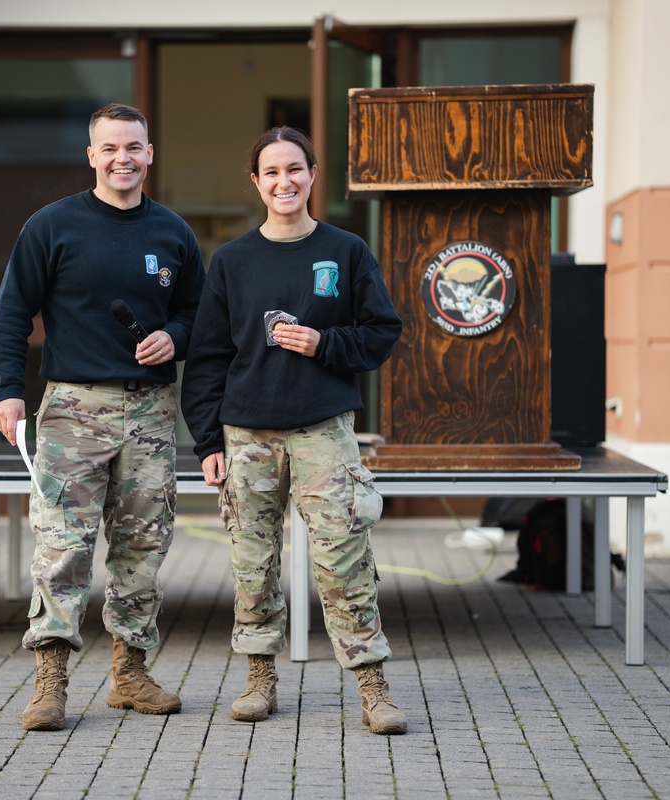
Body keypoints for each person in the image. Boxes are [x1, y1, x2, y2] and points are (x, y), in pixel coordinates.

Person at [180, 126, 407, 735]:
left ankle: (372, 684)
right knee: (252, 562)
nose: (285, 182)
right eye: (272, 172)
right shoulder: (231, 260)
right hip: (246, 435)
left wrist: (324, 342)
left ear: (313, 175)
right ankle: (260, 678)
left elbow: (383, 331)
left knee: (344, 558)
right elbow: (205, 358)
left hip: (323, 431)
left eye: (295, 169)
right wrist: (206, 442)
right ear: (256, 183)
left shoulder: (347, 250)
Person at [0, 102, 205, 732]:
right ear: (92, 155)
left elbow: (199, 314)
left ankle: (130, 675)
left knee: (142, 547)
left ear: (149, 153)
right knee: (63, 547)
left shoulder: (173, 233)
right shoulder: (51, 226)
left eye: (134, 147)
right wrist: (8, 390)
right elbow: (11, 315)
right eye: (110, 148)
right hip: (71, 410)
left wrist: (175, 337)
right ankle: (50, 681)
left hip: (151, 411)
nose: (123, 159)